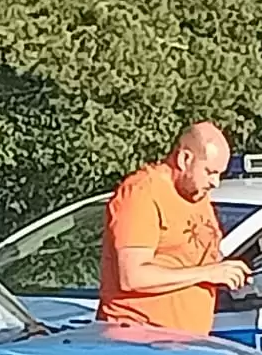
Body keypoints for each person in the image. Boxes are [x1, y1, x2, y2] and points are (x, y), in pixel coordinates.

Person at [98, 122, 250, 333]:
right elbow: (133, 276)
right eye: (210, 172)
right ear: (184, 159)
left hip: (187, 341)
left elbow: (194, 259)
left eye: (220, 174)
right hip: (140, 339)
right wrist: (208, 273)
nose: (215, 182)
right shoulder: (142, 193)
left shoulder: (197, 194)